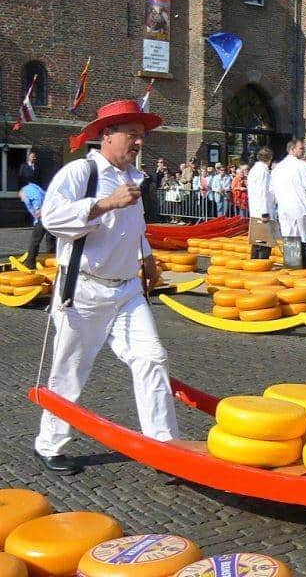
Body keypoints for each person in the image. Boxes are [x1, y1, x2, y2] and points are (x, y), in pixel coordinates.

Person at [34, 99, 180, 475]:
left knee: (152, 358)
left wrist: (146, 257)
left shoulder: (134, 176)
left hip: (127, 290)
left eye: (142, 136)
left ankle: (163, 447)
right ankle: (50, 444)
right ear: (107, 135)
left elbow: (135, 227)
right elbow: (50, 218)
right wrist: (102, 205)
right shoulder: (81, 173)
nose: (139, 143)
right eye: (132, 135)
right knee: (70, 370)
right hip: (83, 290)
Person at [270, 139, 306, 269]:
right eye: (301, 148)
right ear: (292, 149)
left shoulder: (277, 168)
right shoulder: (302, 166)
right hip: (301, 207)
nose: (303, 151)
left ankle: (292, 269)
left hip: (284, 209)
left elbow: (272, 191)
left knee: (290, 238)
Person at [19, 181, 56, 269]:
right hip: (50, 215)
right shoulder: (35, 187)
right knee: (51, 238)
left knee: (35, 241)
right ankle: (51, 259)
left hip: (42, 216)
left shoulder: (27, 190)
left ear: (21, 192)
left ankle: (30, 263)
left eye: (21, 198)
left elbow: (37, 197)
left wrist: (37, 208)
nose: (21, 200)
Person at [247, 146, 275, 259]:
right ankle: (261, 266)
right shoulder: (263, 172)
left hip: (255, 210)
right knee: (264, 242)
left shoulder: (254, 170)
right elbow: (263, 192)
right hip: (263, 211)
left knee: (257, 242)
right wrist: (265, 213)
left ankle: (254, 264)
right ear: (270, 158)